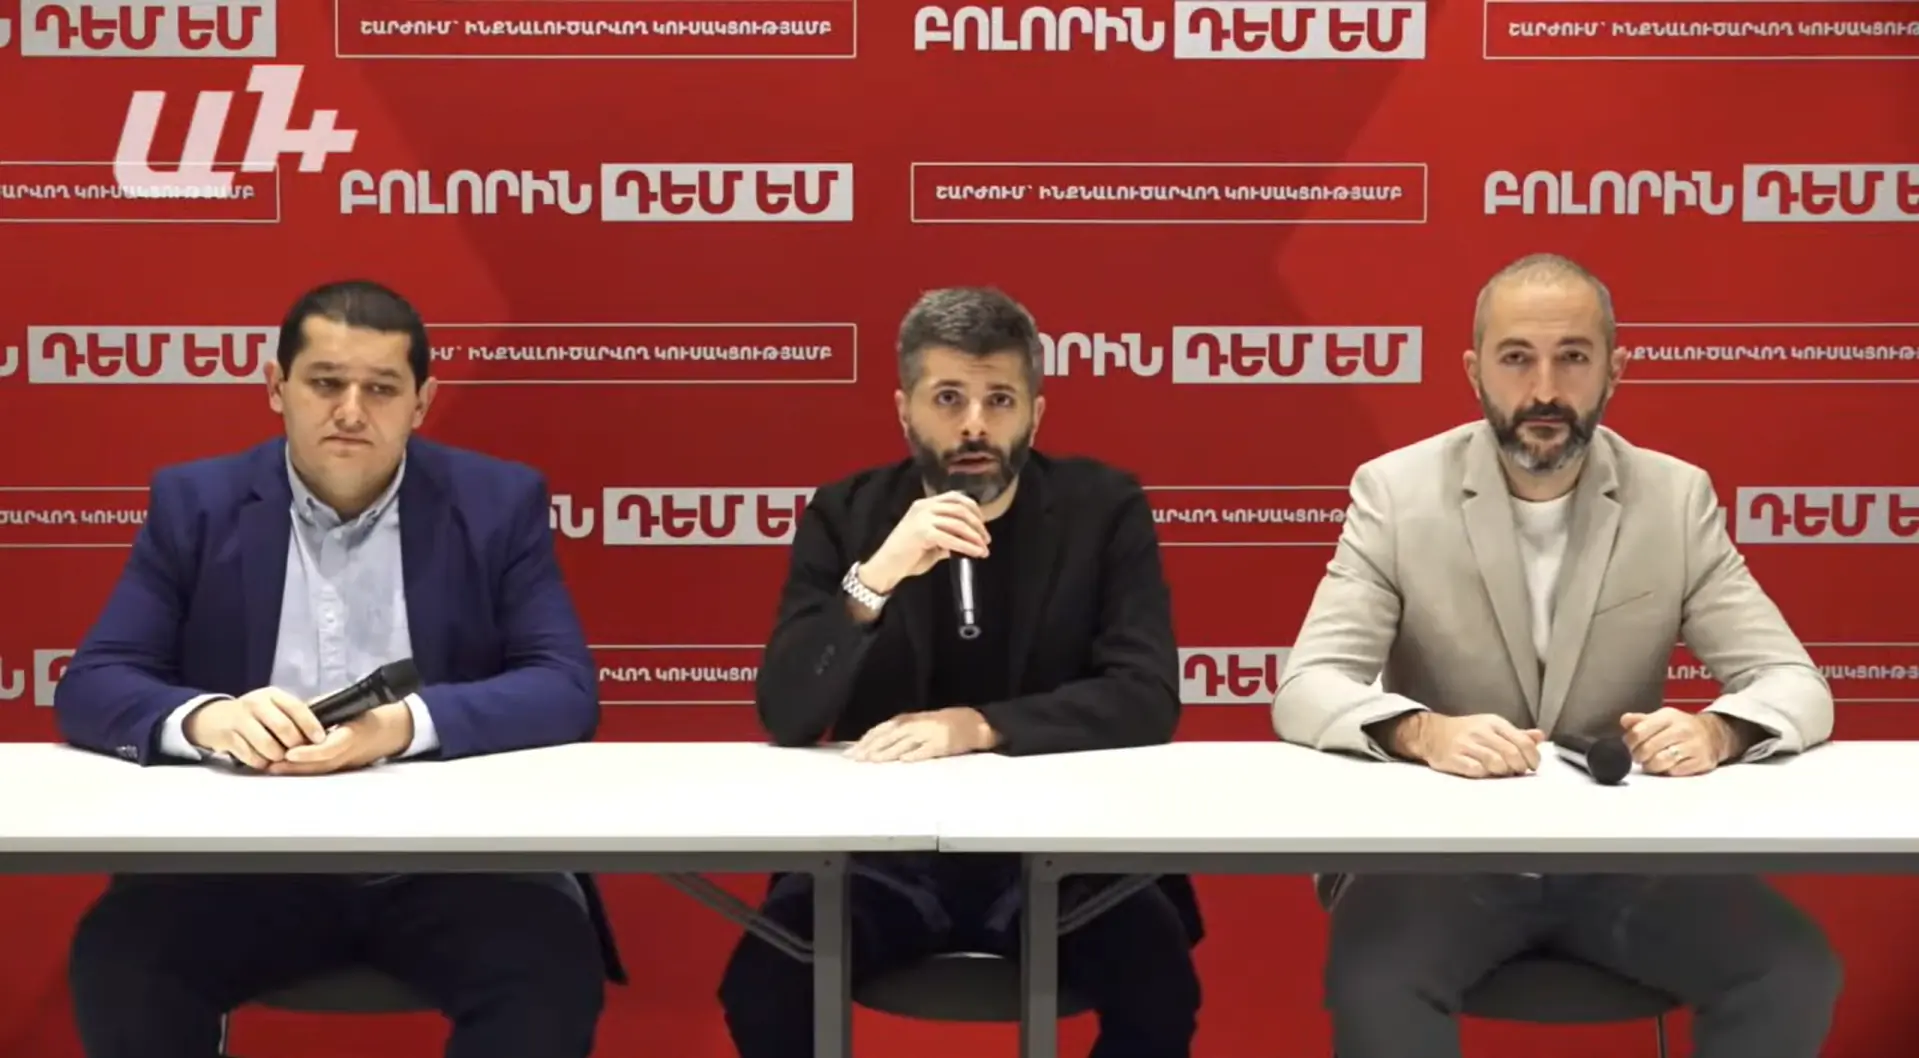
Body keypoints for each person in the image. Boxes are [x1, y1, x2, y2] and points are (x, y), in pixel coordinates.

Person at [1271, 253, 1841, 1058]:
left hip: (1623, 857)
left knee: (1790, 970)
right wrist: (1423, 733)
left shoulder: (1673, 498)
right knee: (1373, 980)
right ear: (1473, 371)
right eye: (1516, 358)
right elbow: (1308, 685)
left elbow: (1793, 683)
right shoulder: (1395, 494)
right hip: (1440, 858)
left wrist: (1719, 732)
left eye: (1572, 357)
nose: (1544, 389)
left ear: (1614, 369)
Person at [52, 280, 624, 1058]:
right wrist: (208, 718)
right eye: (325, 383)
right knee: (123, 960)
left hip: (454, 861)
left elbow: (563, 685)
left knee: (548, 972)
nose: (351, 411)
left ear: (421, 402)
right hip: (240, 864)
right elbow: (95, 682)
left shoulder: (497, 502)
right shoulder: (196, 502)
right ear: (276, 386)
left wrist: (400, 727)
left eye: (380, 389)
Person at [718, 287, 1203, 1058]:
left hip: (1062, 853)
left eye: (998, 399)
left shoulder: (1102, 508)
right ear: (904, 410)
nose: (974, 424)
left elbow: (1144, 696)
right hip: (879, 858)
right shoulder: (847, 514)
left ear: (1035, 412)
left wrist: (976, 726)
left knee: (1159, 984)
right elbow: (787, 713)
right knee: (763, 982)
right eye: (948, 398)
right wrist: (875, 578)